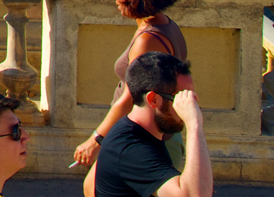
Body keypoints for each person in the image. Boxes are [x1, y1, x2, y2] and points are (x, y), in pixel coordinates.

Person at [75, 0, 187, 167]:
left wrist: (96, 139)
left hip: (145, 141)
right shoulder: (166, 25)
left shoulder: (149, 39)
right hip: (153, 136)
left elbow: (130, 97)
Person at [88, 53, 209, 197]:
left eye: (191, 98)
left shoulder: (130, 131)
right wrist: (194, 125)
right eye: (181, 98)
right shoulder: (131, 148)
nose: (191, 106)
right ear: (153, 99)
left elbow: (89, 185)